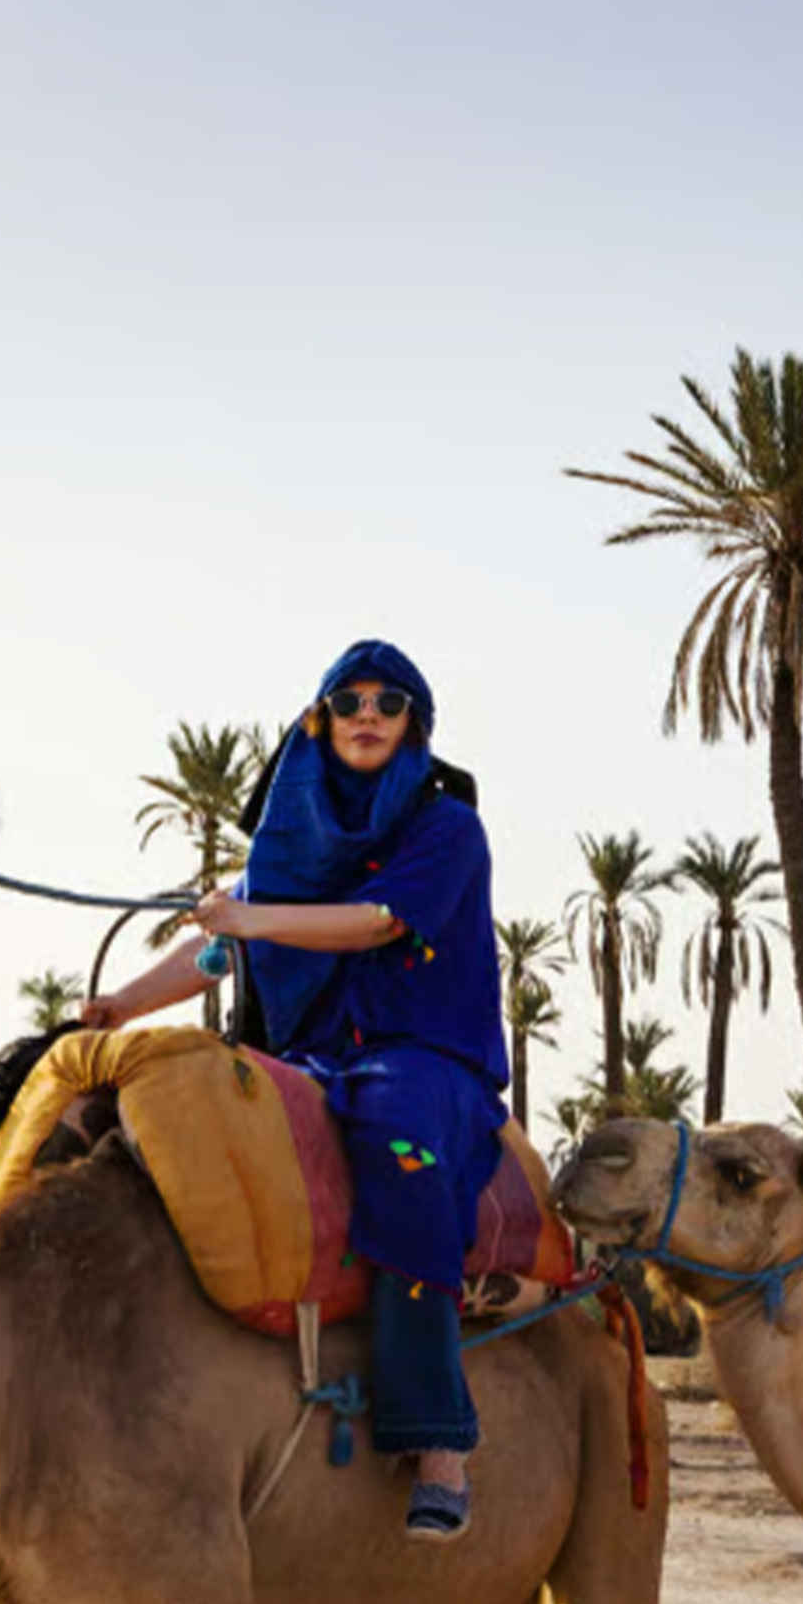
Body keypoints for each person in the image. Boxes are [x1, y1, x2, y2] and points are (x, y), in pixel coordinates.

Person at [82, 639, 506, 1539]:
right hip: (315, 1059)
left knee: (397, 1144)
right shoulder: (295, 854)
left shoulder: (446, 830)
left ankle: (438, 1439)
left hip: (423, 1061)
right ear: (318, 722)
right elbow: (217, 951)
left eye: (387, 702)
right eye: (348, 701)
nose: (366, 715)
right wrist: (121, 1005)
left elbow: (377, 922)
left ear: (414, 725)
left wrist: (249, 915)